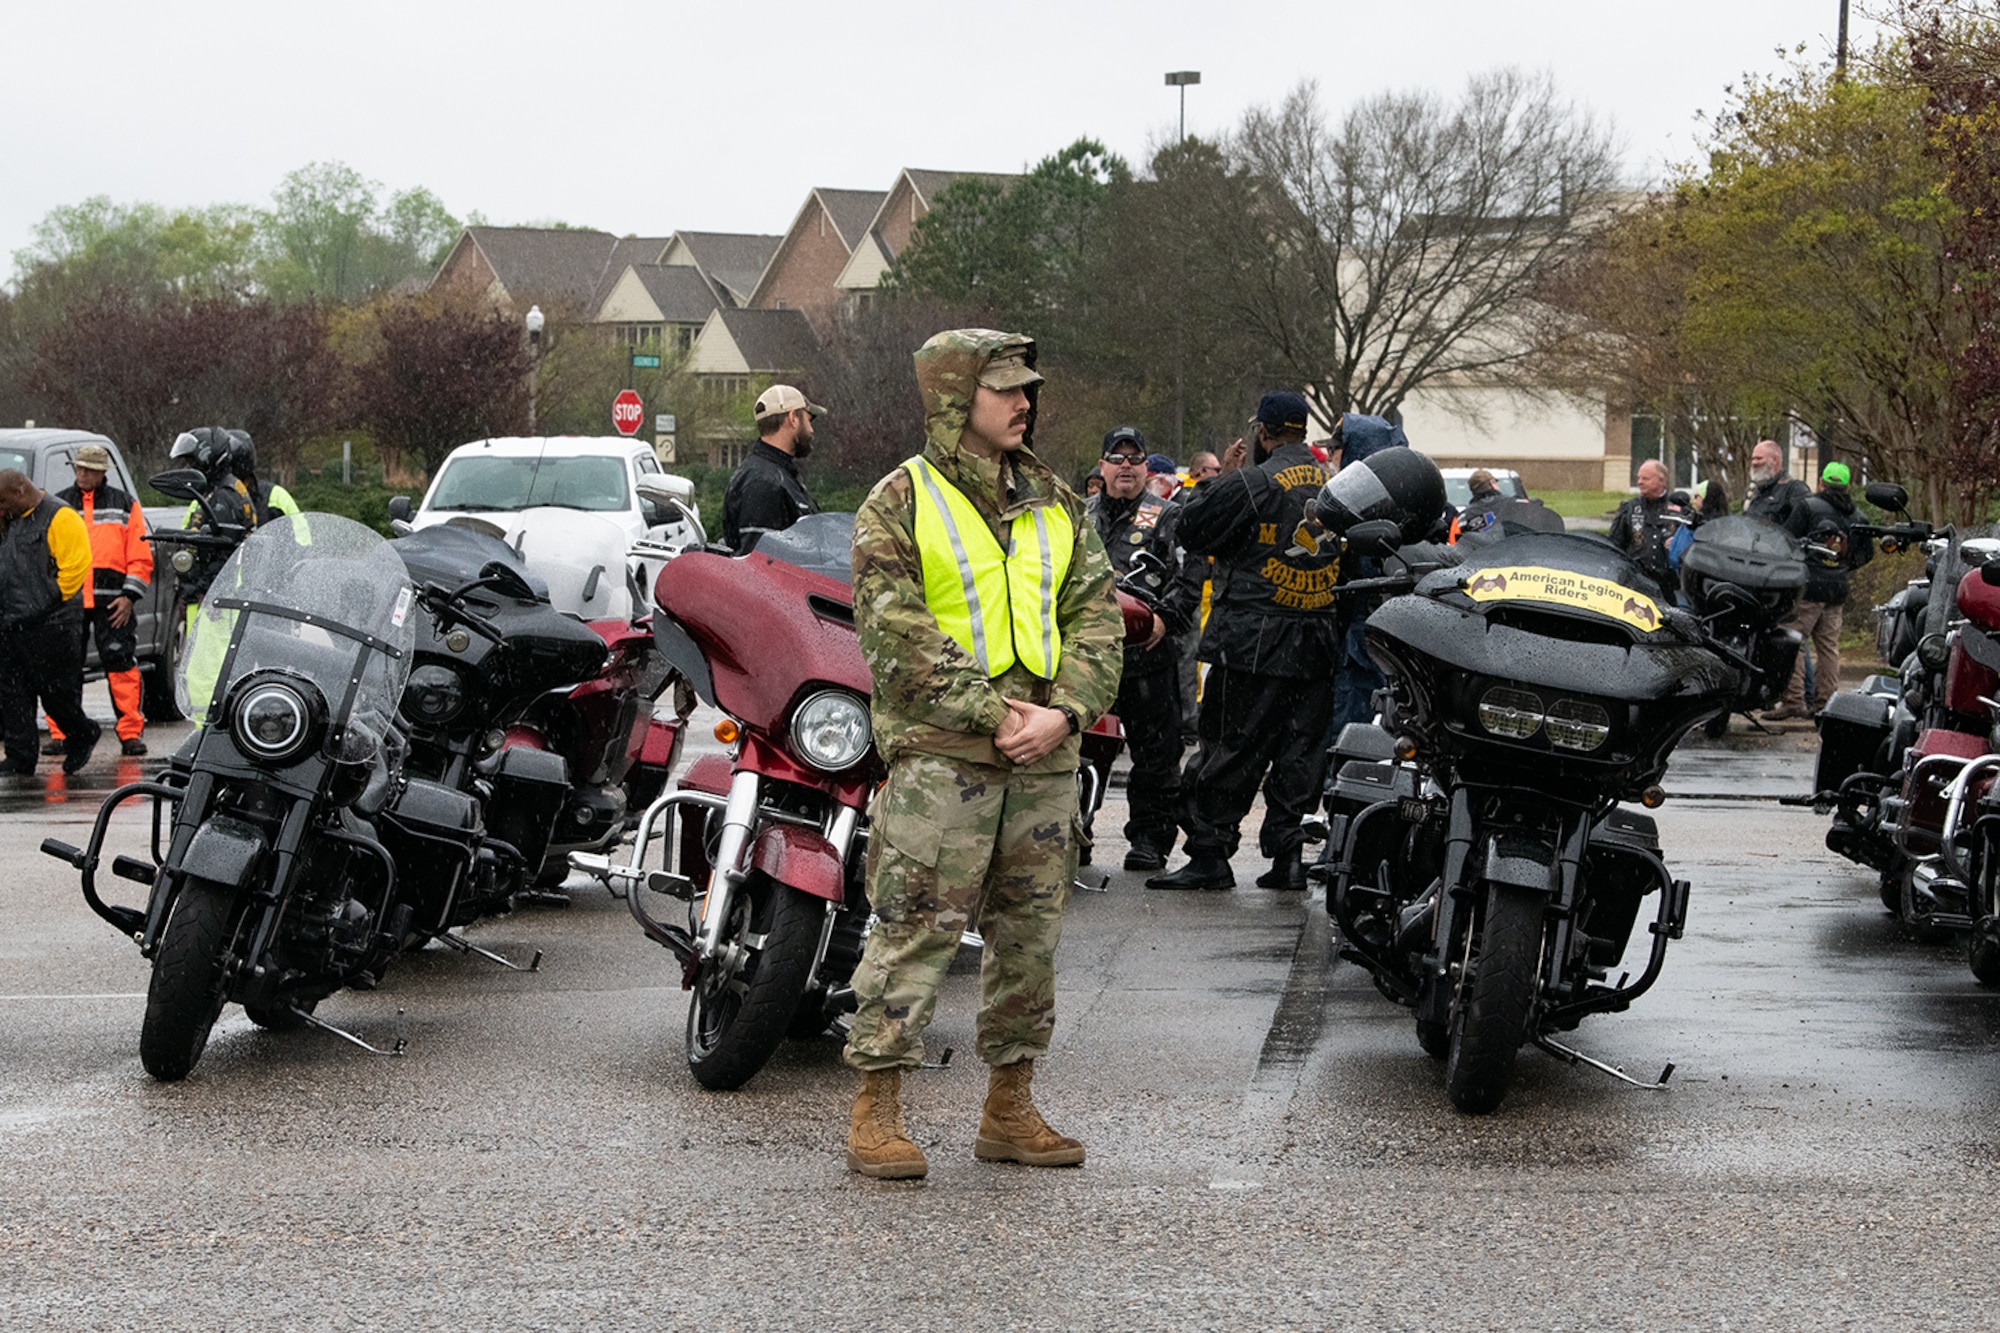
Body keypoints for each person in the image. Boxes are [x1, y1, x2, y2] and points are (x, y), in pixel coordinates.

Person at [842, 329, 1124, 1180]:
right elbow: (894, 630)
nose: (1025, 402)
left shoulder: (1055, 504)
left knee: (1030, 941)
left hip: (1039, 758)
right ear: (954, 400)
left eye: (1027, 388)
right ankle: (876, 1111)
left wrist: (1066, 710)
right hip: (944, 760)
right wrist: (994, 709)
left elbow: (1098, 617)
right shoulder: (900, 501)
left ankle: (1010, 1106)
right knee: (915, 931)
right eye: (1006, 389)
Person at [1149, 391, 1339, 893]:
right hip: (1317, 641)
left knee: (1230, 749)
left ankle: (1210, 854)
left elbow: (1191, 528)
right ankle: (1290, 856)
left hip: (1251, 642)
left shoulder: (1253, 483)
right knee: (1301, 751)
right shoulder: (1337, 486)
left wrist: (1225, 481)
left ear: (1263, 433)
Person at [1087, 425, 1199, 872]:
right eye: (1117, 458)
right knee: (1080, 751)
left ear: (1146, 467)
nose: (1126, 466)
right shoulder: (1077, 516)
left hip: (1148, 658)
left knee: (1157, 757)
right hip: (1089, 657)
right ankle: (1075, 832)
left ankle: (1150, 839)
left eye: (1135, 459)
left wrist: (1164, 618)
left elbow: (1190, 578)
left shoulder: (1167, 516)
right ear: (1103, 467)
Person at [44, 445, 153, 758]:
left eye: (88, 470)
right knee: (63, 669)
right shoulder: (60, 503)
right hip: (71, 602)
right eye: (79, 469)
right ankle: (61, 733)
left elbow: (139, 556)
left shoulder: (124, 504)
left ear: (102, 472)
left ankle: (130, 734)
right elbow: (50, 554)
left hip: (112, 603)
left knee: (120, 665)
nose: (81, 474)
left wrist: (129, 596)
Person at [0, 469, 100, 777]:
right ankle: (20, 757)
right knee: (12, 692)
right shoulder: (8, 519)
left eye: (3, 501)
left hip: (52, 624)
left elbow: (75, 569)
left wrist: (40, 604)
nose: (1, 508)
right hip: (10, 623)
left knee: (56, 694)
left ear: (19, 491)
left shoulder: (60, 516)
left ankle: (81, 733)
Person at [1766, 461, 1872, 720]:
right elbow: (1865, 553)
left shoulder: (1808, 507)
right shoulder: (1857, 516)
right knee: (1828, 648)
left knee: (1793, 641)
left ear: (1821, 483)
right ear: (1848, 486)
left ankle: (1793, 701)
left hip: (1807, 588)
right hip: (1836, 590)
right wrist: (1843, 567)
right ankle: (1826, 704)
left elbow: (1786, 540)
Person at [722, 384, 824, 551]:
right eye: (808, 419)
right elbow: (761, 564)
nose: (811, 429)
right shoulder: (763, 482)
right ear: (793, 418)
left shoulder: (775, 473)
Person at [1605, 460, 1696, 600]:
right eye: (1639, 478)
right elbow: (1614, 545)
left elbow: (1693, 547)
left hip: (1669, 586)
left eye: (1645, 478)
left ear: (1661, 481)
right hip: (1636, 583)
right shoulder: (1629, 509)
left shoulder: (1680, 511)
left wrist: (1679, 544)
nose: (1640, 482)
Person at [1743, 439, 1810, 528]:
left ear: (1775, 460)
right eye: (1753, 458)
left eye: (1759, 458)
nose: (1754, 463)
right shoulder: (1754, 490)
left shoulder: (1794, 490)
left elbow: (1804, 524)